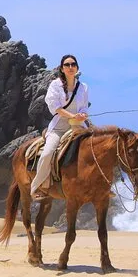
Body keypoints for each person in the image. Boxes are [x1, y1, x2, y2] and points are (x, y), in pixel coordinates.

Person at [31, 54, 89, 201]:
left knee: (97, 148)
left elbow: (84, 107)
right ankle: (39, 186)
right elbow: (56, 108)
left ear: (77, 68)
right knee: (47, 153)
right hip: (59, 127)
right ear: (62, 69)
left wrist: (83, 115)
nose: (70, 67)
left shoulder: (83, 87)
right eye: (67, 65)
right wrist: (72, 115)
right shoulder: (55, 85)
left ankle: (101, 186)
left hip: (78, 126)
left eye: (73, 64)